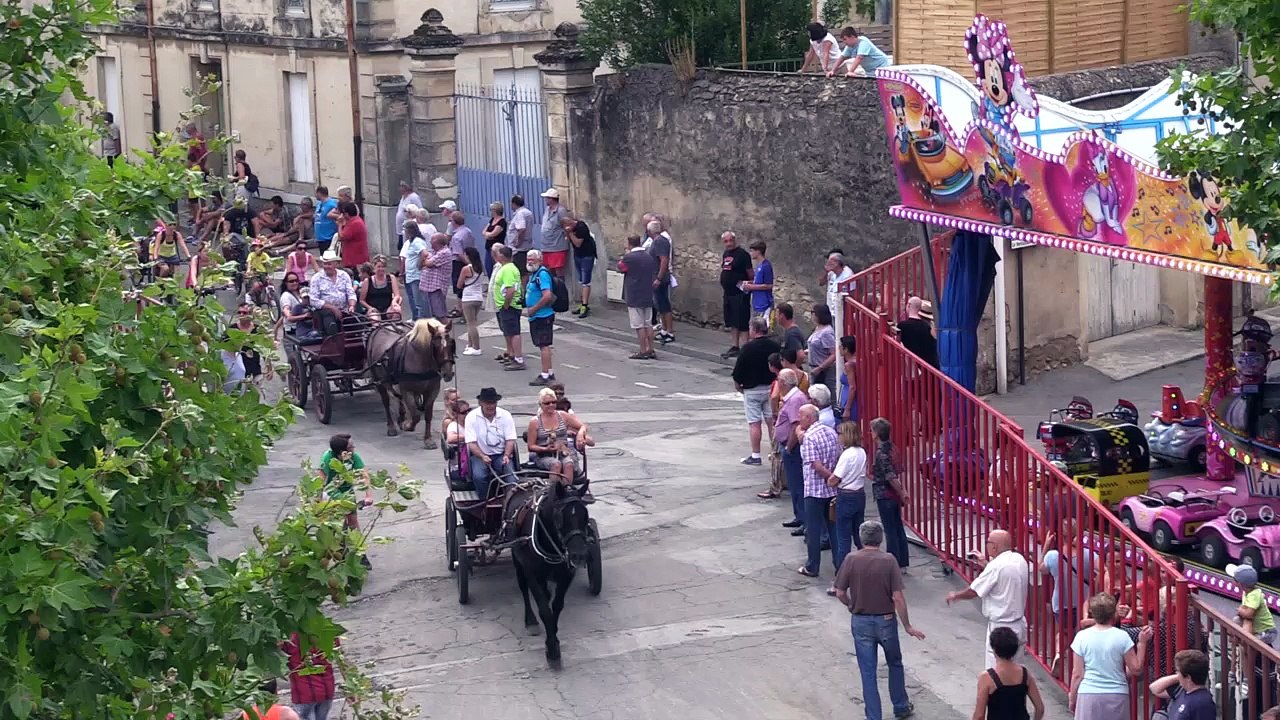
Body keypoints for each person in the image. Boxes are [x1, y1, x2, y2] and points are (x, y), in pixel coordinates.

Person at [833, 520, 926, 720]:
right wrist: (907, 625)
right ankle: (900, 705)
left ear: (861, 538)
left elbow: (840, 592)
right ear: (881, 538)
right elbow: (898, 597)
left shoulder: (851, 559)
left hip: (861, 621)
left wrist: (851, 605)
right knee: (894, 662)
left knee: (868, 672)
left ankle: (874, 716)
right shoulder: (889, 560)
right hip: (886, 620)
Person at [947, 529, 1030, 668]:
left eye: (987, 542)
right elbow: (1003, 576)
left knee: (996, 671)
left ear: (994, 546)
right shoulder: (1019, 560)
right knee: (1017, 668)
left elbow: (974, 591)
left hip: (1001, 628)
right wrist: (986, 564)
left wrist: (956, 595)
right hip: (1019, 624)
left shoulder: (996, 567)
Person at [1069, 593, 1152, 719]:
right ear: (1113, 613)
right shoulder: (1122, 636)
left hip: (1089, 692)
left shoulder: (1081, 637)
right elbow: (1136, 668)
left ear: (1093, 613)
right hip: (1117, 694)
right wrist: (1142, 643)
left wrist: (1072, 698)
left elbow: (1077, 674)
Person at [1041, 520, 1097, 675]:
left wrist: (1046, 545)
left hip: (1061, 603)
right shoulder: (1088, 555)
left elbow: (1042, 569)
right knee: (1083, 635)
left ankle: (1059, 653)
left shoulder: (1053, 556)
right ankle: (1082, 666)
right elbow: (1104, 570)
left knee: (1064, 633)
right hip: (1084, 603)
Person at [815, 421, 866, 576]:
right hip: (859, 494)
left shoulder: (847, 455)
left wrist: (828, 478)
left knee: (843, 537)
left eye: (840, 434)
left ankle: (842, 574)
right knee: (858, 533)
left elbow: (834, 479)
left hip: (846, 495)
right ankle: (865, 565)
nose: (838, 437)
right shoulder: (862, 452)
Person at [731, 317, 780, 466]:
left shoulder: (747, 348)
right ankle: (775, 452)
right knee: (772, 421)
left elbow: (738, 371)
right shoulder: (774, 346)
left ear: (754, 329)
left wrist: (739, 386)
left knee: (754, 423)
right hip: (771, 387)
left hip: (752, 389)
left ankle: (756, 455)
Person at [798, 404, 839, 578]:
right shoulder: (831, 432)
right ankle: (840, 564)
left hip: (815, 491)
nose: (799, 420)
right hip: (832, 493)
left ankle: (812, 566)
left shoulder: (809, 437)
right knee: (834, 530)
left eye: (801, 417)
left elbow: (816, 465)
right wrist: (835, 481)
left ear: (809, 418)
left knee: (813, 531)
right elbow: (838, 455)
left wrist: (830, 479)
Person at [972, 627, 1045, 720]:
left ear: (994, 648)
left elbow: (979, 715)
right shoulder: (1025, 674)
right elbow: (1040, 708)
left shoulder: (987, 678)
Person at [527, 387, 594, 485]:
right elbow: (531, 446)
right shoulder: (535, 422)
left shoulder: (562, 415)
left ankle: (567, 489)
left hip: (563, 451)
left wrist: (580, 434)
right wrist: (546, 449)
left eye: (553, 402)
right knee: (556, 464)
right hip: (542, 455)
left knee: (569, 464)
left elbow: (583, 426)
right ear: (541, 404)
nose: (551, 405)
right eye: (547, 403)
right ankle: (553, 491)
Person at [316, 433, 374, 543]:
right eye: (351, 447)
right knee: (330, 525)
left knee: (353, 523)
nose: (353, 448)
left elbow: (364, 475)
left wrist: (368, 495)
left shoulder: (354, 457)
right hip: (331, 491)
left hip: (347, 491)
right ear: (342, 452)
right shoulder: (328, 457)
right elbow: (320, 479)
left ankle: (358, 551)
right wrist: (318, 499)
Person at [869, 417, 910, 570]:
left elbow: (890, 476)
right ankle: (902, 561)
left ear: (876, 434)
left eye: (871, 430)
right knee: (898, 527)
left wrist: (902, 492)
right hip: (892, 494)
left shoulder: (881, 453)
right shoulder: (893, 447)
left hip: (885, 494)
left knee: (890, 529)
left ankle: (893, 563)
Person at [464, 387, 518, 497]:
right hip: (480, 456)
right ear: (481, 403)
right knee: (479, 477)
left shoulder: (505, 415)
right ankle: (484, 502)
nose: (491, 406)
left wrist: (507, 455)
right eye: (488, 403)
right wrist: (482, 456)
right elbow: (471, 443)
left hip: (501, 455)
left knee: (512, 477)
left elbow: (510, 439)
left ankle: (510, 502)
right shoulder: (471, 417)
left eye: (493, 403)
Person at [772, 368, 808, 515]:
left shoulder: (794, 400)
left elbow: (795, 425)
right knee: (794, 483)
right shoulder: (793, 397)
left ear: (782, 382)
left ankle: (801, 517)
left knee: (796, 483)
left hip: (792, 447)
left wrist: (788, 447)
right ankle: (798, 516)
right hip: (789, 445)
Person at [522, 249, 558, 386]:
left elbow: (547, 295)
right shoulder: (534, 274)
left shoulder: (541, 274)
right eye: (528, 259)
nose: (530, 262)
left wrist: (533, 309)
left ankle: (545, 375)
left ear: (540, 260)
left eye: (533, 259)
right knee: (543, 345)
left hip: (542, 316)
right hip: (538, 316)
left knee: (544, 345)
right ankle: (549, 372)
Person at [618, 234, 658, 360]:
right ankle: (651, 348)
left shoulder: (629, 257)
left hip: (635, 294)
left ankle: (643, 350)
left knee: (639, 325)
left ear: (630, 244)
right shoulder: (648, 256)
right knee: (648, 323)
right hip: (647, 293)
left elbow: (620, 268)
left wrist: (624, 255)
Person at [1148, 649, 1214, 720]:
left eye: (1178, 671)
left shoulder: (1201, 703)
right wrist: (1180, 675)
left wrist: (1183, 673)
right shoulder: (1181, 690)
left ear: (1188, 677)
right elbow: (1154, 688)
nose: (1176, 674)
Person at [282, 633, 336, 720]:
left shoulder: (290, 636)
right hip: (326, 689)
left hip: (304, 693)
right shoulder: (328, 631)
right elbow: (340, 659)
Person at [717, 231, 753, 358]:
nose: (728, 244)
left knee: (742, 321)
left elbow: (750, 273)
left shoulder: (743, 255)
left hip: (740, 294)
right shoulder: (726, 254)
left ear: (734, 240)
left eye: (730, 240)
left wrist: (747, 285)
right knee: (732, 320)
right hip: (728, 293)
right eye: (726, 241)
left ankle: (745, 348)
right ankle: (735, 346)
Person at [491, 244, 527, 371]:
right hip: (508, 306)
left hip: (509, 306)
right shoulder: (508, 268)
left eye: (498, 254)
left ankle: (518, 359)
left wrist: (506, 304)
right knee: (509, 332)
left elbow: (510, 290)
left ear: (502, 256)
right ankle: (513, 356)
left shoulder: (507, 270)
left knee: (513, 332)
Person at [1229, 562, 1277, 646]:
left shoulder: (1255, 595)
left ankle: (1254, 655)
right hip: (1257, 628)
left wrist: (1240, 610)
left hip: (1266, 632)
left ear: (1240, 584)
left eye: (1235, 580)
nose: (1233, 582)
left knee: (1253, 646)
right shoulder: (1247, 593)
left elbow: (1248, 614)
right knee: (1236, 620)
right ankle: (1237, 641)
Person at [309, 251, 356, 334]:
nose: (326, 266)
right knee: (330, 320)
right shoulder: (316, 278)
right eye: (325, 264)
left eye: (329, 264)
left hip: (344, 309)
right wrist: (333, 308)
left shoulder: (344, 275)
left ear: (335, 264)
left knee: (357, 321)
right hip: (325, 311)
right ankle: (332, 338)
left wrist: (351, 305)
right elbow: (313, 300)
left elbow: (351, 293)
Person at [647, 220, 675, 344]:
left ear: (649, 231)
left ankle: (669, 331)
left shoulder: (659, 242)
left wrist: (659, 278)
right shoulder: (658, 241)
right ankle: (664, 330)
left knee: (664, 304)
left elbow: (664, 260)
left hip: (661, 279)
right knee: (660, 305)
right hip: (656, 277)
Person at [565, 215, 597, 317]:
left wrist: (570, 233)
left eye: (567, 224)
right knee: (580, 281)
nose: (565, 226)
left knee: (585, 281)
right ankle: (581, 303)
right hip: (578, 256)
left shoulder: (581, 227)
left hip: (587, 256)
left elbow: (578, 243)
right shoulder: (570, 229)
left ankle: (584, 305)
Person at [457, 246, 486, 355]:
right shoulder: (480, 268)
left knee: (471, 323)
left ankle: (476, 347)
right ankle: (470, 345)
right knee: (473, 321)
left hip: (468, 297)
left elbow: (459, 284)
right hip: (478, 297)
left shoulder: (466, 269)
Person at [419, 232, 453, 320]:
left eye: (431, 240)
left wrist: (426, 260)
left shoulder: (444, 252)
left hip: (437, 288)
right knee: (434, 316)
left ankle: (445, 332)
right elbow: (421, 264)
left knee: (440, 315)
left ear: (436, 242)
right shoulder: (435, 251)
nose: (429, 241)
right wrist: (425, 260)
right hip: (430, 288)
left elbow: (428, 263)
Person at [898, 297, 939, 368]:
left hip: (913, 367)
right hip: (930, 366)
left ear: (908, 305)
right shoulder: (927, 327)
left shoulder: (902, 326)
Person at [399, 222, 429, 321]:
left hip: (416, 276)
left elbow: (424, 254)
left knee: (419, 302)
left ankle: (421, 322)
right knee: (418, 301)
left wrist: (419, 264)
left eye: (405, 230)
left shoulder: (417, 242)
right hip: (412, 275)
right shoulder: (412, 242)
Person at [808, 303, 838, 398]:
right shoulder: (818, 328)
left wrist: (820, 367)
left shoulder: (826, 332)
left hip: (823, 371)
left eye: (813, 312)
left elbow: (833, 354)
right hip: (815, 368)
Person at [539, 188, 570, 278]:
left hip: (557, 246)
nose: (545, 200)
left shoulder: (560, 211)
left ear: (551, 199)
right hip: (546, 246)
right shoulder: (547, 209)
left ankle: (560, 289)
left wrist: (566, 237)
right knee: (547, 270)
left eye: (547, 198)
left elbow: (566, 226)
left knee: (558, 271)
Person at [358, 256, 401, 320]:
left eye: (383, 267)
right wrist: (369, 308)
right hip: (373, 309)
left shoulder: (391, 278)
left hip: (388, 308)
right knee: (375, 318)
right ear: (374, 267)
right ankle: (376, 328)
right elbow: (361, 300)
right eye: (379, 267)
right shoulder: (367, 281)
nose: (381, 269)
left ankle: (394, 328)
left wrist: (394, 302)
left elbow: (397, 295)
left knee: (397, 310)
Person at [448, 211, 473, 318]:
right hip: (469, 258)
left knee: (459, 285)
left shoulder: (456, 237)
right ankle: (461, 308)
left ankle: (461, 309)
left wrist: (469, 264)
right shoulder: (468, 231)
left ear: (454, 222)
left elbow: (459, 254)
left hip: (459, 263)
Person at [742, 240, 774, 328]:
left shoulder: (766, 266)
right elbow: (759, 282)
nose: (751, 253)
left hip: (764, 303)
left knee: (761, 329)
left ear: (758, 251)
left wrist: (751, 287)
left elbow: (769, 285)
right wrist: (750, 283)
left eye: (752, 251)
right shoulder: (758, 265)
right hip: (756, 302)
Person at [506, 194, 535, 277]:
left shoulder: (520, 214)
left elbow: (521, 228)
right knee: (526, 271)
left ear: (514, 204)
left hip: (519, 249)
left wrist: (518, 242)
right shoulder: (527, 212)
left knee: (521, 272)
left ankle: (523, 289)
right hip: (527, 246)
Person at [337, 202, 369, 272]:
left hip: (354, 260)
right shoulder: (355, 221)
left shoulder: (354, 223)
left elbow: (341, 237)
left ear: (347, 213)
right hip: (354, 258)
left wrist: (339, 223)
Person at [395, 181, 422, 250]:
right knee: (400, 246)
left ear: (406, 187)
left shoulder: (414, 197)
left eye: (401, 186)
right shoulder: (403, 197)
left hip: (409, 228)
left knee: (404, 247)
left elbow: (420, 210)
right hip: (401, 227)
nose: (399, 188)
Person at [482, 201, 507, 277]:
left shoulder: (502, 222)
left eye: (491, 210)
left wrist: (488, 235)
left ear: (495, 210)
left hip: (497, 249)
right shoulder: (492, 220)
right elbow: (483, 231)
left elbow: (494, 233)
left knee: (497, 268)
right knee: (488, 267)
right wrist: (487, 235)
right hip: (488, 248)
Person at [313, 187, 339, 253]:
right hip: (320, 237)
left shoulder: (332, 205)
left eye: (316, 193)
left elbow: (338, 217)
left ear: (319, 193)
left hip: (328, 238)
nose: (315, 195)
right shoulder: (319, 204)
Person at [839, 335, 859, 421]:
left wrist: (847, 408)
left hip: (849, 400)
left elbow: (852, 386)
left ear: (846, 349)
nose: (839, 348)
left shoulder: (849, 365)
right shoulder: (857, 361)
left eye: (841, 346)